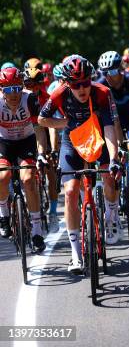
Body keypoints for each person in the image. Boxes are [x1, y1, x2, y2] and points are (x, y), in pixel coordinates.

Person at [38, 55, 122, 273]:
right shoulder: (58, 94)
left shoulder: (102, 92)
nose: (82, 89)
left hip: (97, 136)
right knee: (71, 191)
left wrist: (113, 159)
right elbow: (41, 119)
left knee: (109, 177)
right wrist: (63, 122)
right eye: (76, 85)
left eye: (85, 83)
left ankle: (112, 214)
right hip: (72, 140)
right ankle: (75, 255)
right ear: (67, 83)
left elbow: (110, 128)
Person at [0, 67, 48, 253]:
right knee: (3, 178)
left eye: (17, 88)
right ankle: (4, 215)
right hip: (4, 142)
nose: (14, 94)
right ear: (2, 90)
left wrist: (42, 153)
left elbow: (39, 130)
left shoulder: (30, 100)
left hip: (26, 141)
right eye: (8, 89)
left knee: (28, 180)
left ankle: (36, 231)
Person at [23, 60, 60, 233]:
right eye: (28, 85)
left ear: (41, 84)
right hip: (24, 136)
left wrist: (52, 150)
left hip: (42, 133)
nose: (32, 89)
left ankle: (53, 213)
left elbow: (52, 127)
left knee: (51, 171)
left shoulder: (46, 98)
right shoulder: (20, 98)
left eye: (35, 85)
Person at [97, 51, 129, 188]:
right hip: (111, 120)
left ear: (120, 70)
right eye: (105, 73)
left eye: (111, 72)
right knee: (115, 148)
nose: (108, 77)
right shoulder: (101, 85)